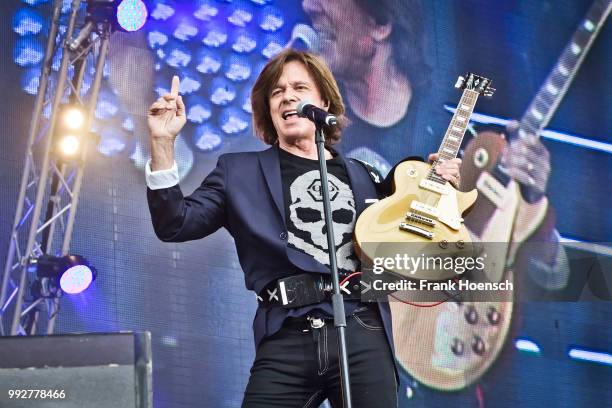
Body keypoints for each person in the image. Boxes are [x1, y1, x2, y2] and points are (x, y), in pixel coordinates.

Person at [145, 48, 462, 407]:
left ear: (324, 101)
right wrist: (162, 142)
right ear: (268, 109)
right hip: (286, 333)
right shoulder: (239, 172)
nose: (288, 97)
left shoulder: (364, 175)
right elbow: (175, 223)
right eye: (277, 92)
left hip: (361, 329)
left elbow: (420, 242)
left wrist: (438, 188)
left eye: (299, 87)